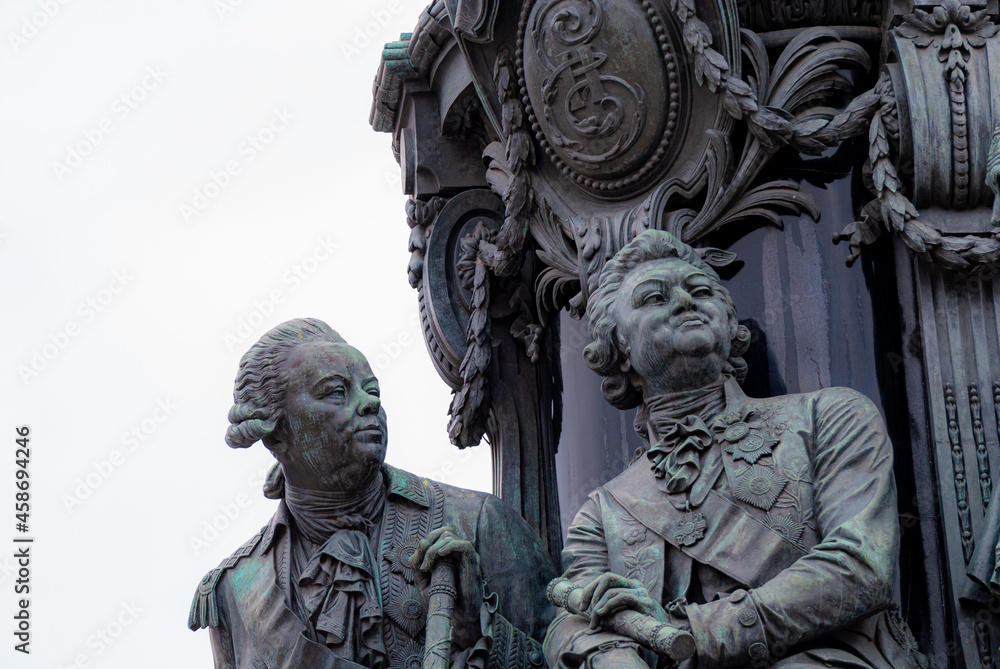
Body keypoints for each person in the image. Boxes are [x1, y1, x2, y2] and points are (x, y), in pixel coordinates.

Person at [543, 230, 927, 668]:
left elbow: (861, 568)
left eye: (701, 290)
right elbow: (571, 621)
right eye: (654, 298)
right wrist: (610, 657)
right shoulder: (601, 512)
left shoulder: (829, 417)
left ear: (729, 324)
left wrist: (698, 633)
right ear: (620, 349)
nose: (686, 301)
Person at [189, 318, 554, 669]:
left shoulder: (478, 522)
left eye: (372, 390)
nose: (369, 403)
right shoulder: (233, 590)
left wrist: (475, 629)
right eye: (335, 391)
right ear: (276, 431)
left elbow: (572, 654)